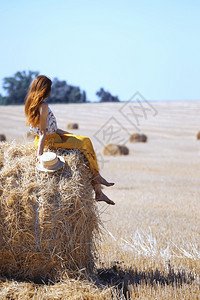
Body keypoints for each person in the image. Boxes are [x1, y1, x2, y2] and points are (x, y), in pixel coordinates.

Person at [24, 75, 115, 205]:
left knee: (82, 140)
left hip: (50, 137)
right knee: (86, 142)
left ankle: (98, 190)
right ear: (45, 89)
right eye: (49, 88)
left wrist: (70, 135)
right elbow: (44, 132)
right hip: (51, 140)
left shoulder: (29, 104)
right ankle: (97, 178)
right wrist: (39, 155)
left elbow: (49, 128)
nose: (50, 91)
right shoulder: (43, 106)